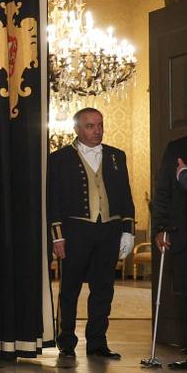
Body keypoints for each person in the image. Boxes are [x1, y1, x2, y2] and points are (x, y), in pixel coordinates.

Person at [48, 108, 134, 360]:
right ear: (76, 129)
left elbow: (125, 196)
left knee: (103, 288)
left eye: (100, 125)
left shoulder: (117, 156)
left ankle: (97, 342)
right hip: (75, 232)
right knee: (70, 288)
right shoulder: (59, 159)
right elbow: (54, 200)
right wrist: (58, 235)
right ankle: (66, 340)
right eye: (90, 126)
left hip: (109, 230)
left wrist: (127, 230)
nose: (97, 130)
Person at [152, 133, 187, 369]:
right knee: (186, 296)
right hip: (184, 235)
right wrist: (160, 228)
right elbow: (163, 193)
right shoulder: (177, 147)